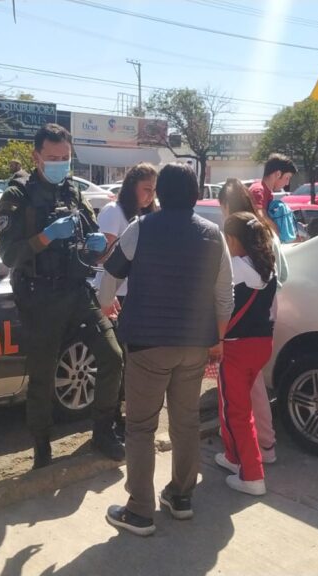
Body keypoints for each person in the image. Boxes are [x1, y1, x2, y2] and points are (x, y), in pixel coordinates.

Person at [99, 163, 234, 536]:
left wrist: (107, 305)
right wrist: (218, 339)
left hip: (148, 344)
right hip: (195, 346)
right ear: (195, 195)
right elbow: (225, 294)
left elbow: (111, 275)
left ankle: (139, 511)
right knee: (185, 422)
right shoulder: (213, 235)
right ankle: (181, 496)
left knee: (140, 427)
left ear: (160, 193)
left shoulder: (140, 229)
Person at [0, 123, 124, 469]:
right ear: (36, 156)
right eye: (53, 158)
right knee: (42, 375)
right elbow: (9, 255)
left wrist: (99, 246)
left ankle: (103, 430)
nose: (60, 164)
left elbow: (92, 238)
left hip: (76, 290)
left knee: (112, 356)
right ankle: (41, 446)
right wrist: (46, 237)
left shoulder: (73, 191)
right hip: (41, 297)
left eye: (65, 158)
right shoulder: (17, 196)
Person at [218, 179, 287, 465]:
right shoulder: (265, 232)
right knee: (251, 392)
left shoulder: (236, 252)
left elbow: (222, 296)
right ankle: (262, 447)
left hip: (240, 333)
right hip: (264, 326)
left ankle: (249, 458)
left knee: (238, 404)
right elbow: (281, 274)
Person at [214, 212, 278, 496]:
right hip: (261, 345)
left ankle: (252, 475)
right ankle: (233, 457)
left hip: (236, 347)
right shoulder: (267, 267)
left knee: (237, 411)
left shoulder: (235, 267)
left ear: (232, 239)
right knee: (237, 405)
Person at [95, 162, 159, 318]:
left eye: (154, 191)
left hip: (136, 294)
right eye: (146, 189)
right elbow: (103, 256)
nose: (151, 196)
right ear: (132, 187)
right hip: (112, 295)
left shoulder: (148, 216)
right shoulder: (113, 211)